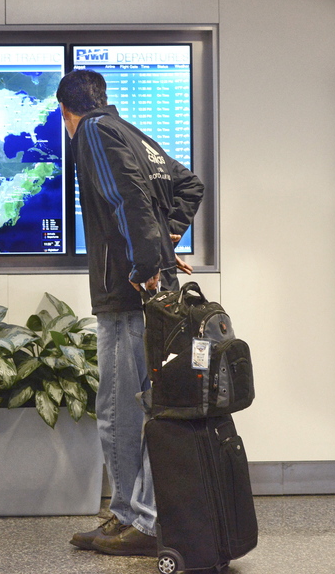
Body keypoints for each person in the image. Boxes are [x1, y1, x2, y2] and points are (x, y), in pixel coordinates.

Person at [56, 70, 204, 557]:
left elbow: (127, 199)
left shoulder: (94, 130)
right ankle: (133, 513)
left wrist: (146, 262)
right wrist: (166, 244)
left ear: (66, 114)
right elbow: (190, 187)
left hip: (128, 293)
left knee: (118, 408)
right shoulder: (135, 134)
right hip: (157, 292)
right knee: (144, 405)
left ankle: (134, 519)